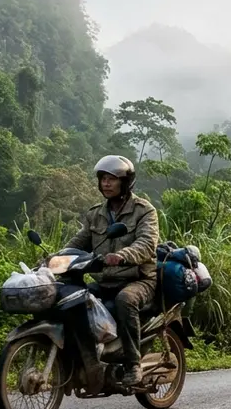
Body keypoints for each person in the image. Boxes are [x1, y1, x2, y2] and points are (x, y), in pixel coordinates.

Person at [64, 155, 160, 386]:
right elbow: (78, 242)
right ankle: (86, 360)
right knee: (71, 301)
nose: (106, 183)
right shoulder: (96, 213)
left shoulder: (144, 211)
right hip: (105, 281)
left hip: (139, 279)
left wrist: (122, 256)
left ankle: (132, 364)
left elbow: (147, 243)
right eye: (103, 179)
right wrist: (55, 258)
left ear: (125, 182)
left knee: (125, 300)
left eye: (112, 179)